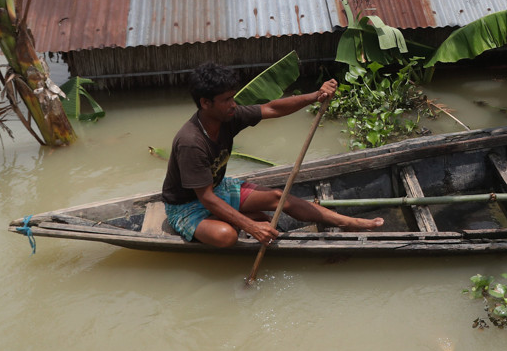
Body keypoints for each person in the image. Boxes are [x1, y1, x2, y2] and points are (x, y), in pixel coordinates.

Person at [161, 62, 384, 247]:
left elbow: (272, 108)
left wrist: (315, 95)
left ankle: (350, 222)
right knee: (227, 236)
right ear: (205, 103)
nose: (233, 104)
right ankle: (240, 220)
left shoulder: (229, 116)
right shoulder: (191, 142)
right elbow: (206, 198)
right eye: (227, 100)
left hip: (217, 187)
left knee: (279, 197)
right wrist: (251, 227)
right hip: (186, 206)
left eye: (233, 97)